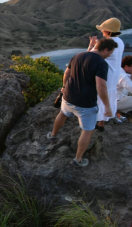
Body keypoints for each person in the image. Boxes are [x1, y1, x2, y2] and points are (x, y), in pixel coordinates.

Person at [47, 38, 118, 167]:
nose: (110, 55)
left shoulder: (78, 55)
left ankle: (52, 135)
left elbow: (66, 73)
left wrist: (64, 87)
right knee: (87, 130)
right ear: (105, 50)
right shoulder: (101, 63)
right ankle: (77, 159)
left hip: (68, 97)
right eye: (110, 52)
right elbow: (101, 86)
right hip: (86, 104)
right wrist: (107, 106)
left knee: (62, 114)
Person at [88, 18, 125, 131]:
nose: (102, 32)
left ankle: (93, 121)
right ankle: (101, 123)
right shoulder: (120, 42)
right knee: (109, 95)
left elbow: (89, 56)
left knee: (99, 96)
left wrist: (92, 45)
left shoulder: (106, 44)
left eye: (103, 30)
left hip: (104, 73)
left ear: (108, 32)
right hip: (114, 75)